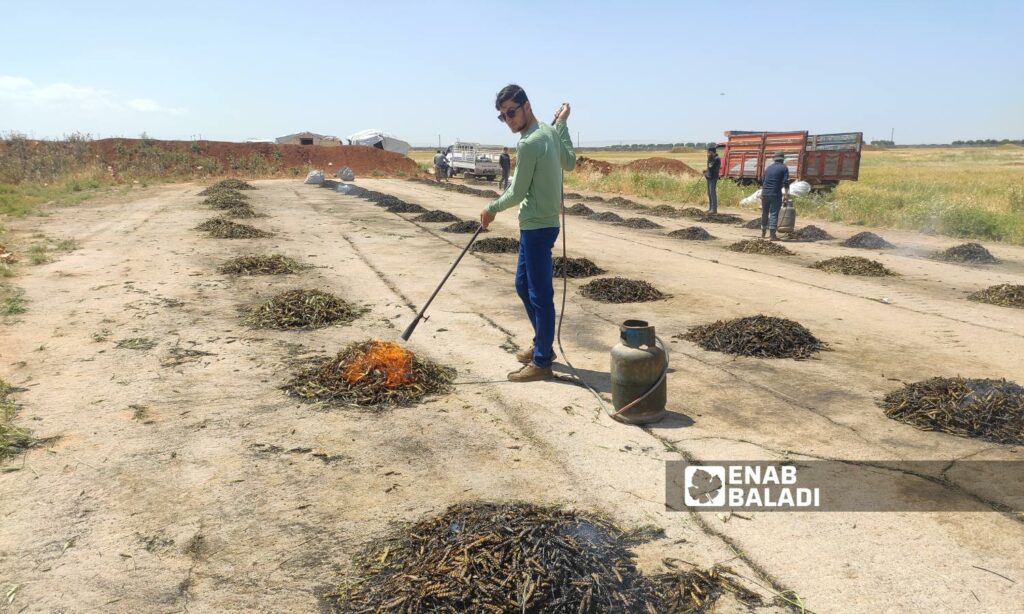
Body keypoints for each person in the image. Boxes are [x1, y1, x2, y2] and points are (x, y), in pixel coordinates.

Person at [479, 84, 575, 382]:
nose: (508, 120)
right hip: (543, 225)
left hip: (536, 227)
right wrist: (562, 124)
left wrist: (491, 208)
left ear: (526, 106)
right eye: (502, 116)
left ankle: (542, 361)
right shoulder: (548, 131)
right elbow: (569, 161)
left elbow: (517, 191)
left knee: (540, 296)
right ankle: (541, 344)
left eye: (510, 113)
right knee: (523, 286)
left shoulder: (529, 143)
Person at [760, 151, 790, 240]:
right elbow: (786, 182)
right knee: (773, 213)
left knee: (764, 212)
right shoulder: (784, 168)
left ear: (774, 159)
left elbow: (763, 180)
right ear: (783, 159)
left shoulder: (768, 168)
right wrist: (786, 195)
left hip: (764, 193)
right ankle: (772, 235)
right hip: (775, 193)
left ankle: (763, 233)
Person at [704, 144, 721, 213]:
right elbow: (709, 168)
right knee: (709, 193)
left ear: (712, 152)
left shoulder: (716, 159)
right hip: (709, 177)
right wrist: (705, 171)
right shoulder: (712, 158)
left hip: (713, 178)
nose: (708, 154)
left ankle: (714, 209)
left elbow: (711, 167)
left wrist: (709, 159)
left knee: (712, 193)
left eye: (709, 152)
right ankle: (710, 208)